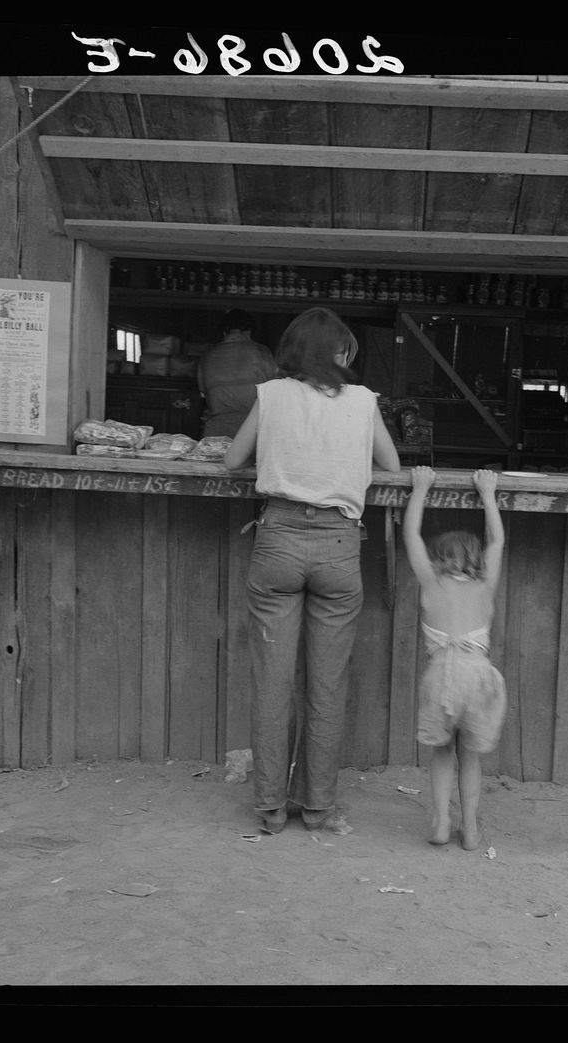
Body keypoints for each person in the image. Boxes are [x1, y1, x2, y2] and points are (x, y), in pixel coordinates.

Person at [225, 307, 401, 834]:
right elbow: (391, 465)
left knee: (272, 685)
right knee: (327, 685)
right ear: (342, 353)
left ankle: (271, 810)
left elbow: (233, 459)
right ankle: (319, 807)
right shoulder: (364, 401)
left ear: (292, 353)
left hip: (277, 540)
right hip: (338, 548)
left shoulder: (271, 394)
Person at [402, 466, 508, 850]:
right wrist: (488, 494)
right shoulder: (485, 585)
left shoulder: (431, 582)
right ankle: (473, 829)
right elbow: (496, 541)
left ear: (438, 560)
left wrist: (420, 488)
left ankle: (442, 822)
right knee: (471, 757)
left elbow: (411, 535)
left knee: (442, 751)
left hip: (441, 676)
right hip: (478, 678)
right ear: (475, 560)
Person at [197, 309, 279, 437]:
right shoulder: (262, 352)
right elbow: (274, 387)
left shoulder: (207, 356)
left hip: (217, 431)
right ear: (249, 331)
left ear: (224, 332)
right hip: (254, 432)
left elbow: (202, 391)